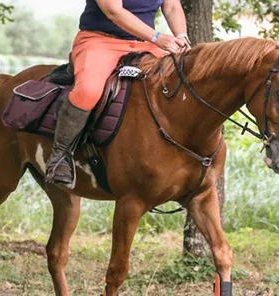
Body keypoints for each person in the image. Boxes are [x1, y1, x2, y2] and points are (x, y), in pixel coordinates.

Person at [44, 0, 190, 188]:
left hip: (146, 44)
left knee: (183, 80)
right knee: (89, 90)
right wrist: (157, 37)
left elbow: (171, 6)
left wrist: (182, 37)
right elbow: (113, 11)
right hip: (100, 41)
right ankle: (60, 156)